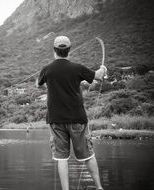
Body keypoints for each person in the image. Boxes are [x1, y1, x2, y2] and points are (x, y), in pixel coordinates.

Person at [36, 36, 106, 190]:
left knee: (61, 158)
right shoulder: (77, 68)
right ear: (69, 50)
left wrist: (50, 82)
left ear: (54, 50)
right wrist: (103, 68)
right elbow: (99, 77)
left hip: (56, 120)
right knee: (88, 154)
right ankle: (99, 188)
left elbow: (38, 84)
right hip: (77, 118)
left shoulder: (46, 69)